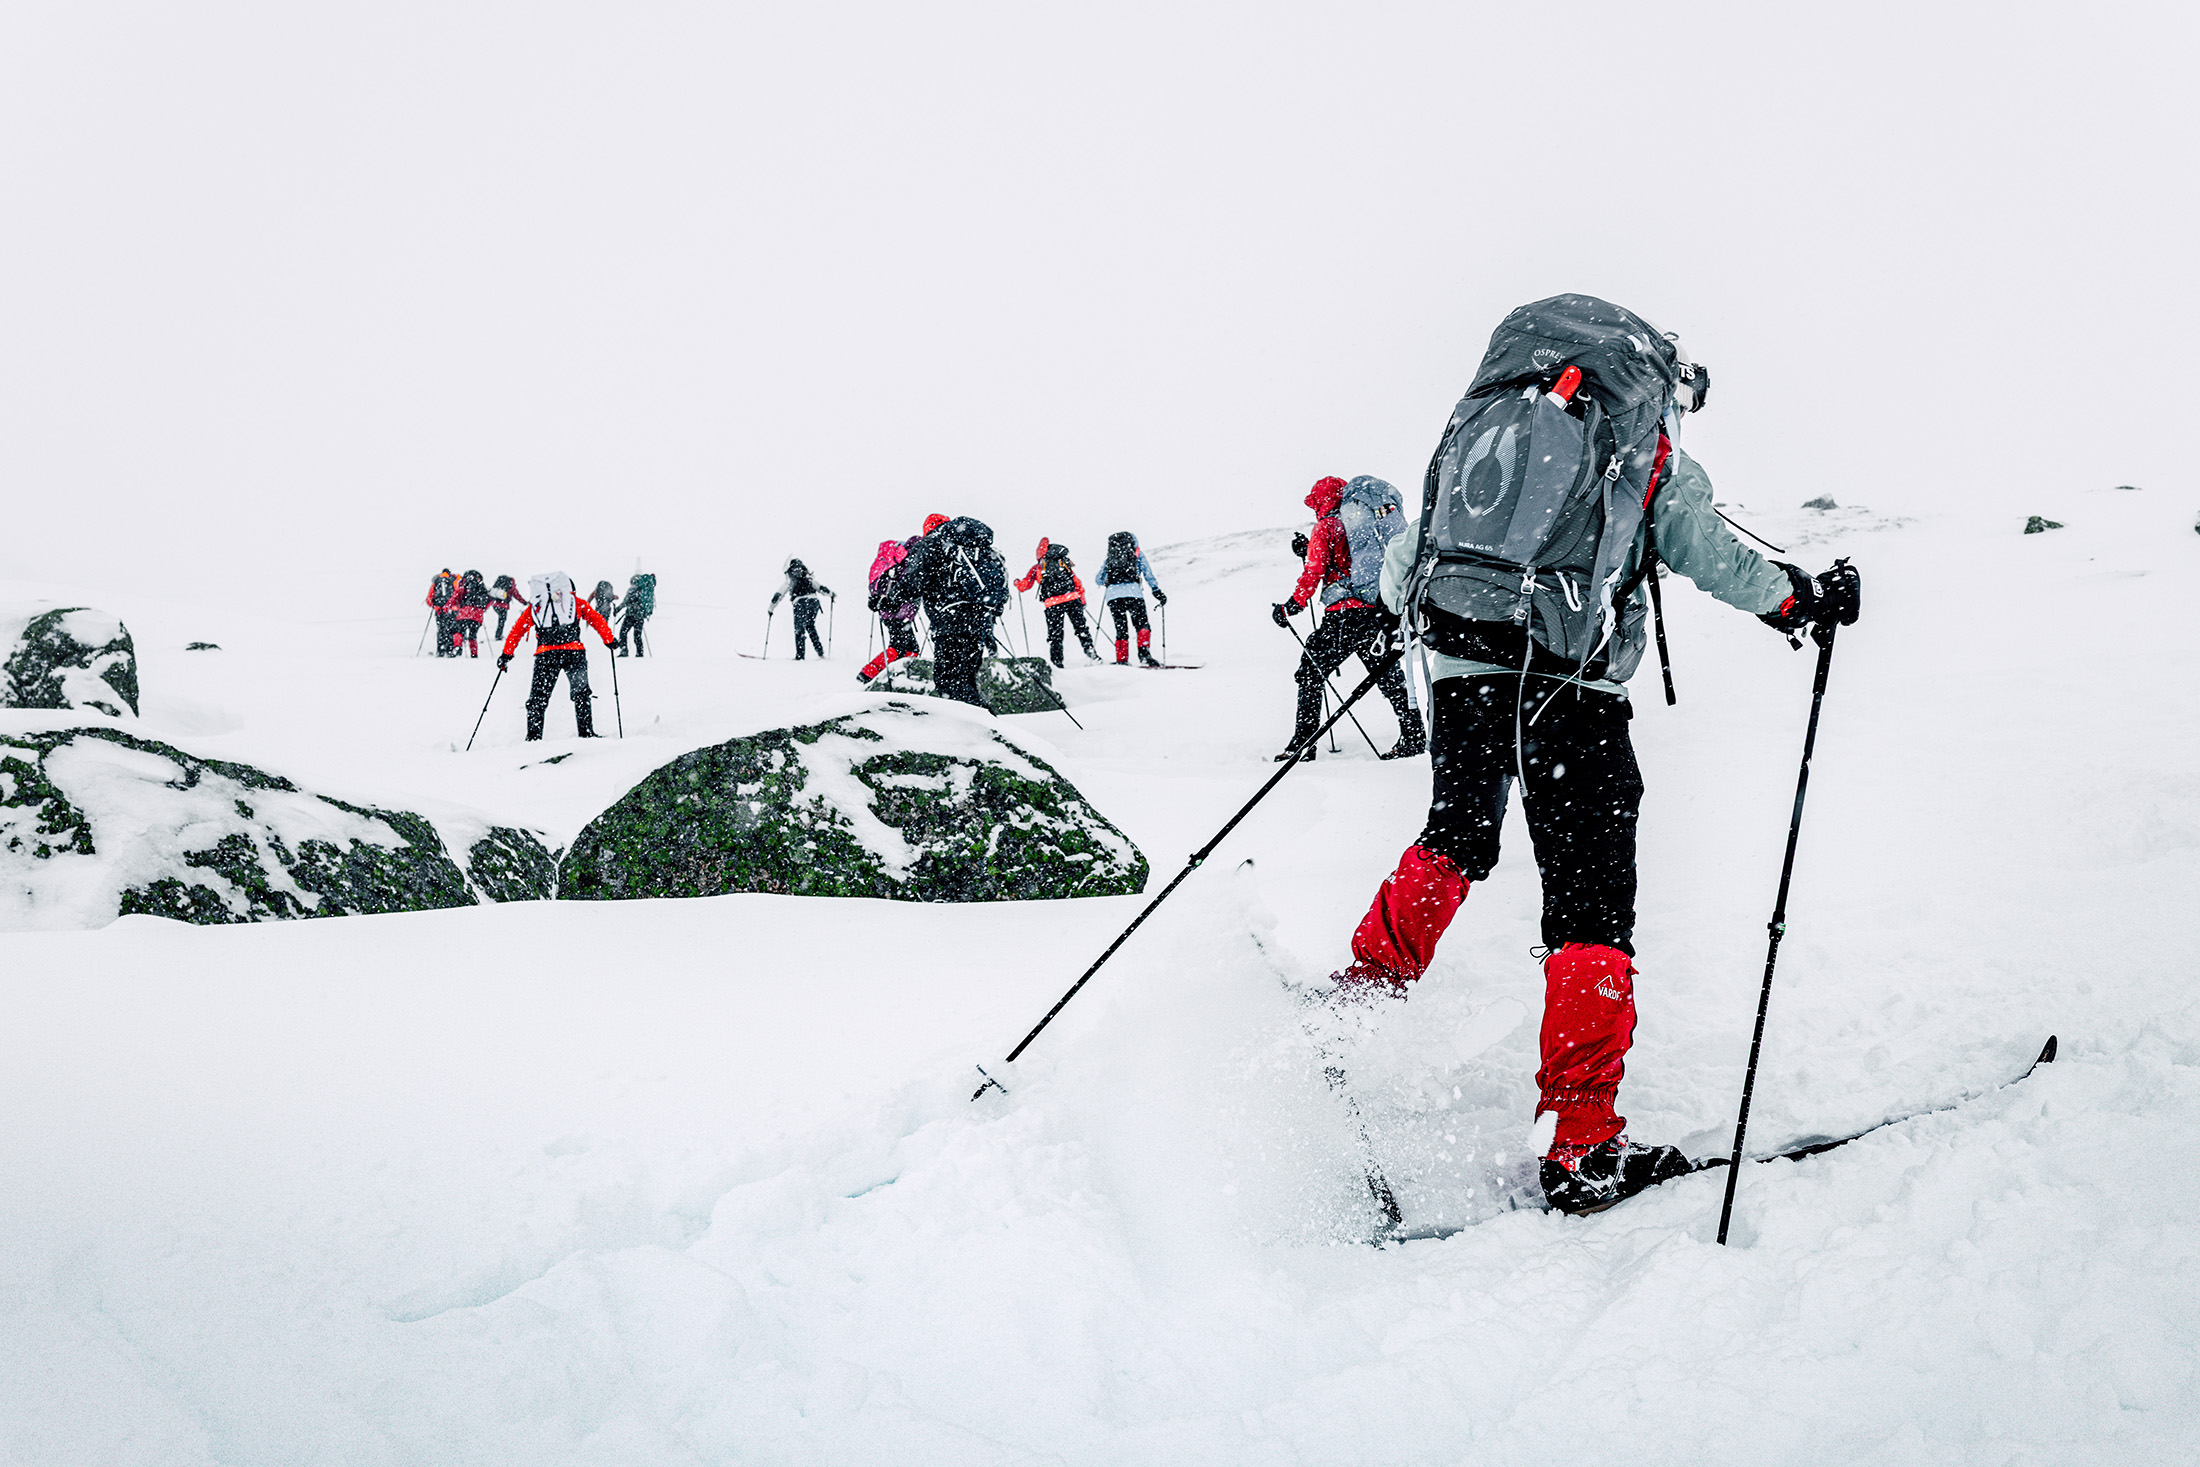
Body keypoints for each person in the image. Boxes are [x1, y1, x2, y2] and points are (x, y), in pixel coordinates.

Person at [1321, 296, 1861, 1217]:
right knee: (1590, 901)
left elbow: (1395, 566)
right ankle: (1581, 1148)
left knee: (1455, 835)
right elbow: (1704, 549)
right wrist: (1796, 600)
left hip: (1462, 667)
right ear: (1665, 380)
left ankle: (1356, 998)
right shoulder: (1640, 437)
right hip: (1573, 684)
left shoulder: (1489, 423)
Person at [1271, 475, 1424, 761]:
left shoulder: (1327, 526)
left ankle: (1303, 743)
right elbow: (1350, 560)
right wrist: (1308, 549)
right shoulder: (1365, 525)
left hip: (1341, 616)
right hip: (1375, 613)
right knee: (1388, 675)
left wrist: (1292, 606)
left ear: (1320, 501)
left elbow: (1315, 571)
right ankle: (1414, 734)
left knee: (1310, 673)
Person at [902, 514, 1008, 706]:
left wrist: (889, 601)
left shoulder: (933, 542)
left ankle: (984, 728)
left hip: (950, 622)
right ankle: (979, 728)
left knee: (949, 685)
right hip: (978, 622)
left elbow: (914, 581)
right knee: (965, 681)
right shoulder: (971, 546)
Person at [497, 571, 617, 740]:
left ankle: (533, 737)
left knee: (538, 698)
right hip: (574, 652)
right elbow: (596, 619)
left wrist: (506, 654)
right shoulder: (575, 603)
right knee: (581, 694)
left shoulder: (537, 607)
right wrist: (609, 640)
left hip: (546, 655)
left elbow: (517, 630)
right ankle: (586, 733)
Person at [1015, 538, 1100, 668]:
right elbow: (1077, 582)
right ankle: (1091, 652)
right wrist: (1081, 599)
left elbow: (1024, 586)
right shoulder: (1063, 562)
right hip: (1071, 598)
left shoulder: (1038, 567)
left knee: (1055, 634)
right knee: (1081, 628)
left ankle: (1057, 662)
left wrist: (1017, 583)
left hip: (1052, 603)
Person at [857, 529, 925, 683]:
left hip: (892, 612)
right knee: (901, 648)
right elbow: (907, 587)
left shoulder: (898, 562)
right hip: (896, 612)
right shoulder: (907, 564)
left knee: (907, 649)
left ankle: (896, 675)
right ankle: (869, 674)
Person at [1097, 530, 1166, 667]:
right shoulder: (1136, 553)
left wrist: (1109, 581)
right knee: (1142, 625)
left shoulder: (1110, 557)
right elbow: (1147, 572)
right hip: (1134, 594)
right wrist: (1156, 590)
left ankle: (1122, 660)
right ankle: (1145, 655)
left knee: (1121, 628)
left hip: (1114, 597)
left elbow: (1098, 579)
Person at [770, 559, 834, 660]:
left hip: (800, 603)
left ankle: (800, 656)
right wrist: (831, 594)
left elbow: (778, 595)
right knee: (810, 626)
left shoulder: (790, 580)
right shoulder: (808, 578)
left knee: (799, 629)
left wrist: (771, 608)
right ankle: (820, 651)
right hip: (814, 602)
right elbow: (821, 588)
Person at [452, 569, 491, 658]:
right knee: (473, 635)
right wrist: (482, 609)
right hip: (477, 615)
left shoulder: (464, 585)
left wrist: (453, 606)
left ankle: (458, 646)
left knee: (459, 631)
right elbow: (488, 600)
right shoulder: (481, 587)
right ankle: (474, 654)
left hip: (464, 613)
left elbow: (456, 597)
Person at [617, 570, 656, 656]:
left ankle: (624, 650)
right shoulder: (644, 591)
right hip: (640, 616)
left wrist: (618, 609)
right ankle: (640, 652)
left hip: (630, 615)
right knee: (637, 635)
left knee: (623, 633)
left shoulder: (631, 590)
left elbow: (625, 602)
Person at [425, 568, 459, 658]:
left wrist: (434, 605)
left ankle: (440, 649)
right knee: (450, 629)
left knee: (441, 629)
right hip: (451, 609)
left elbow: (429, 597)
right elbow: (457, 593)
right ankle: (450, 650)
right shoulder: (453, 580)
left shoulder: (436, 581)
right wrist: (456, 606)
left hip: (439, 610)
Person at [490, 575, 523, 642]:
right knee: (502, 620)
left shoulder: (498, 584)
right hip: (503, 605)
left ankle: (498, 634)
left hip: (495, 605)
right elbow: (517, 596)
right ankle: (498, 635)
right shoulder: (511, 587)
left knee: (501, 619)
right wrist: (524, 602)